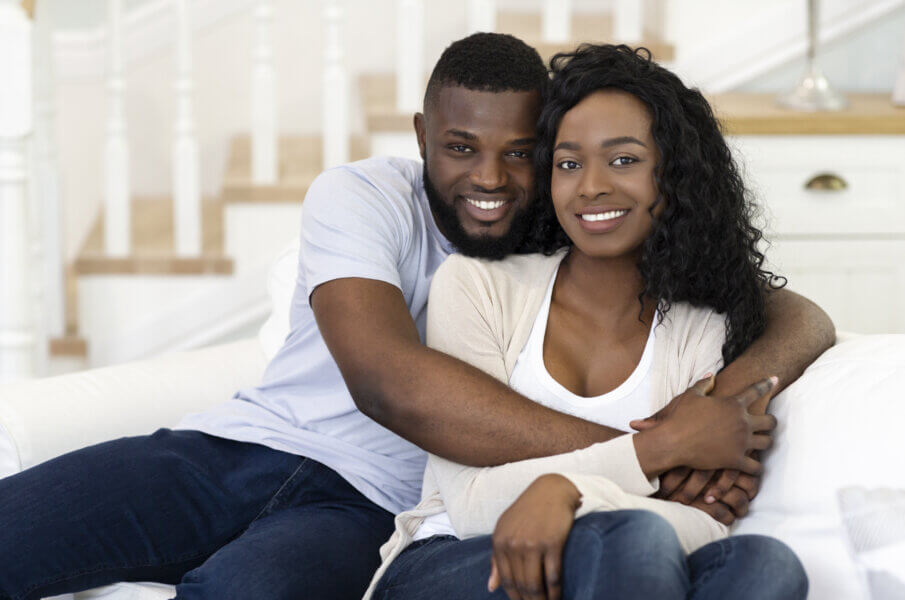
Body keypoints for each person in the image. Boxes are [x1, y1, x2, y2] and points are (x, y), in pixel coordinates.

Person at [0, 35, 830, 600]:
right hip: (233, 450)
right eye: (460, 147)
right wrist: (655, 452)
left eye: (523, 153)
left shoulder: (578, 233)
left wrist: (724, 404)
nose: (491, 178)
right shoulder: (367, 196)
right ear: (421, 136)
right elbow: (390, 384)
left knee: (240, 591)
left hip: (365, 508)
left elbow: (792, 311)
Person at [367, 44, 810, 600]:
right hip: (454, 560)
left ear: (674, 175)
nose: (591, 186)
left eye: (623, 160)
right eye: (569, 163)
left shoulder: (704, 323)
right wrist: (653, 454)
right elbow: (473, 502)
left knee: (763, 562)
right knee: (635, 535)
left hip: (621, 556)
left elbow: (709, 515)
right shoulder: (477, 287)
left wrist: (567, 492)